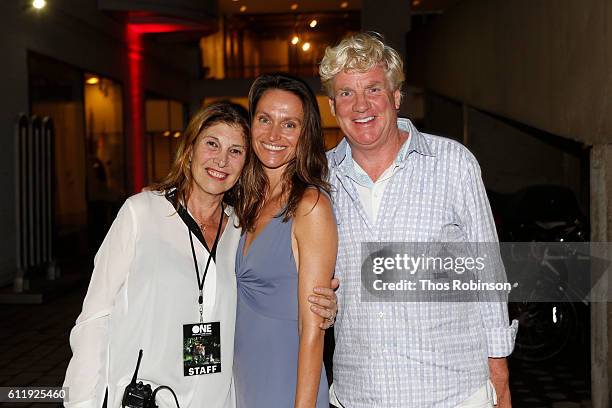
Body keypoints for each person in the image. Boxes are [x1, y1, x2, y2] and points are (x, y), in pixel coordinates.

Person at [63, 101, 337, 408]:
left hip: (214, 398)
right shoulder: (142, 213)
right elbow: (95, 316)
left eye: (236, 151)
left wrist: (323, 304)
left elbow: (269, 285)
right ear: (190, 149)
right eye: (212, 144)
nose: (221, 160)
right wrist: (81, 401)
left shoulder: (239, 228)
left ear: (246, 163)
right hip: (142, 395)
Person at [319, 33, 518, 408]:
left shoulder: (452, 163)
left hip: (453, 393)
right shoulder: (320, 180)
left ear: (396, 97)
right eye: (346, 93)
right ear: (332, 106)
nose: (360, 104)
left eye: (373, 89)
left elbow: (488, 274)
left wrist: (500, 377)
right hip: (359, 395)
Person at [232, 74, 338, 408]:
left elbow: (313, 330)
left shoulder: (310, 206)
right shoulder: (242, 199)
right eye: (264, 119)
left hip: (286, 382)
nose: (274, 135)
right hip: (240, 379)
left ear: (305, 134)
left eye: (289, 124)